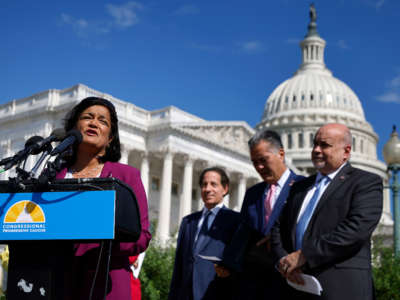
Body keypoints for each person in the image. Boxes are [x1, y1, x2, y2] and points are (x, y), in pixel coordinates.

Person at [271, 123, 383, 300]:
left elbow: (356, 229)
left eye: (324, 145)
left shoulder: (365, 182)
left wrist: (305, 255)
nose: (316, 150)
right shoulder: (299, 187)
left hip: (342, 288)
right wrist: (284, 262)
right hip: (295, 286)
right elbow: (278, 228)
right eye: (315, 144)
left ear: (346, 152)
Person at [56, 97, 152, 300]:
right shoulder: (53, 175)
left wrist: (102, 237)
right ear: (74, 127)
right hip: (58, 280)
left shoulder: (126, 176)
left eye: (103, 121)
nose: (93, 123)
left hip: (107, 283)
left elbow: (142, 236)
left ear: (110, 138)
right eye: (87, 117)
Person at [217, 129, 303, 299]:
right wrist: (227, 263)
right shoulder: (252, 193)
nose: (259, 167)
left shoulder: (303, 187)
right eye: (255, 162)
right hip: (252, 284)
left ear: (281, 154)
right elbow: (242, 234)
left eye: (263, 160)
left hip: (289, 283)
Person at [168, 167, 241, 300]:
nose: (207, 189)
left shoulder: (236, 221)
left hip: (217, 293)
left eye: (213, 184)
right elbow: (179, 266)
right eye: (204, 185)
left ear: (225, 189)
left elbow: (241, 263)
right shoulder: (188, 222)